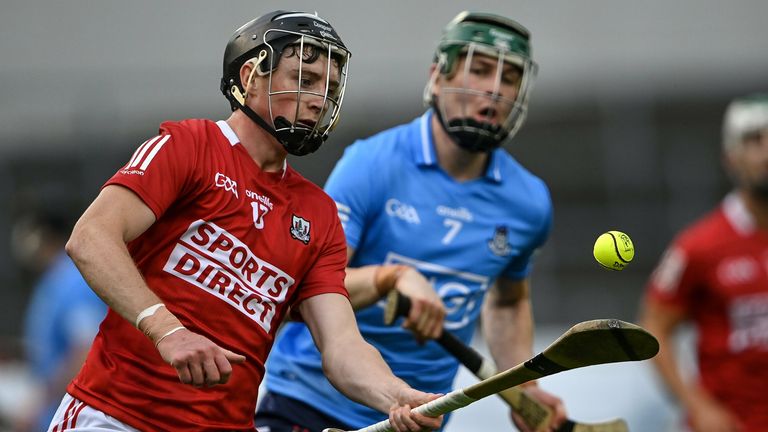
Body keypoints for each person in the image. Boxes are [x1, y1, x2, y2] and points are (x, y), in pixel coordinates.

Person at [47, 10, 442, 432]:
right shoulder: (188, 145)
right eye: (304, 79)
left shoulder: (318, 214)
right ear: (252, 76)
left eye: (328, 86)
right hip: (116, 416)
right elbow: (90, 237)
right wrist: (167, 330)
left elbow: (342, 345)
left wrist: (395, 395)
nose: (318, 98)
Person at [257, 11, 567, 432]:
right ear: (438, 76)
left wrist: (522, 387)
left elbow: (509, 301)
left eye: (510, 77)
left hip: (421, 416)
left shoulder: (528, 202)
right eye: (479, 70)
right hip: (311, 404)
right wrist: (391, 279)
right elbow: (301, 294)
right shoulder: (371, 166)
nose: (495, 90)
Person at [639, 94, 768, 432]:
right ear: (731, 158)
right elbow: (654, 330)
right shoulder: (698, 246)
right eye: (755, 139)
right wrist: (696, 405)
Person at [10, 211, 106, 432]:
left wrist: (40, 402)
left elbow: (84, 348)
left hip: (70, 415)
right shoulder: (54, 279)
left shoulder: (71, 279)